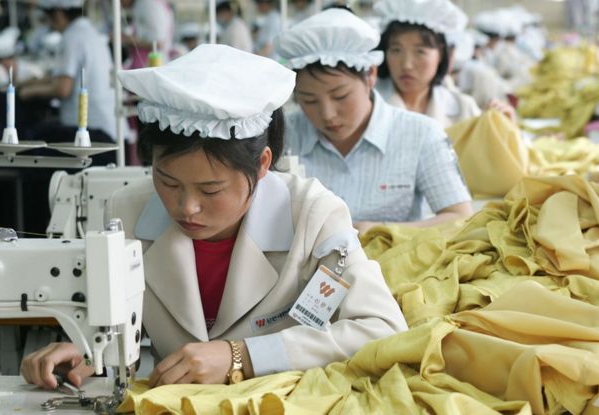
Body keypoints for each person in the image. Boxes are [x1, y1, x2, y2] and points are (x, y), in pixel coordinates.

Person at [20, 44, 407, 388]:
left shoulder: (313, 214)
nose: (186, 207)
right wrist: (89, 350)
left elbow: (381, 328)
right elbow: (117, 323)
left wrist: (242, 357)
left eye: (211, 190)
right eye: (168, 182)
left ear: (262, 165)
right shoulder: (128, 209)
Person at [274, 9, 472, 235]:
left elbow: (459, 215)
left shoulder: (421, 134)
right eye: (309, 101)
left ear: (370, 76)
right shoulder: (284, 134)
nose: (327, 114)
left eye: (340, 97)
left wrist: (383, 231)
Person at [18, 0, 116, 156]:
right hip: (107, 127)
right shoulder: (90, 31)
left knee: (32, 139)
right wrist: (29, 83)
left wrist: (28, 92)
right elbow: (60, 75)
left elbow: (62, 88)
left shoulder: (72, 36)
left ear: (58, 14)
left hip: (90, 132)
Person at [372, 0, 484, 128]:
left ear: (441, 54)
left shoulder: (464, 108)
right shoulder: (368, 103)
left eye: (420, 52)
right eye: (396, 50)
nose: (407, 65)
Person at [121, 0, 175, 68]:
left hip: (151, 64)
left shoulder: (147, 4)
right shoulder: (142, 4)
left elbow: (158, 43)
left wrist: (127, 39)